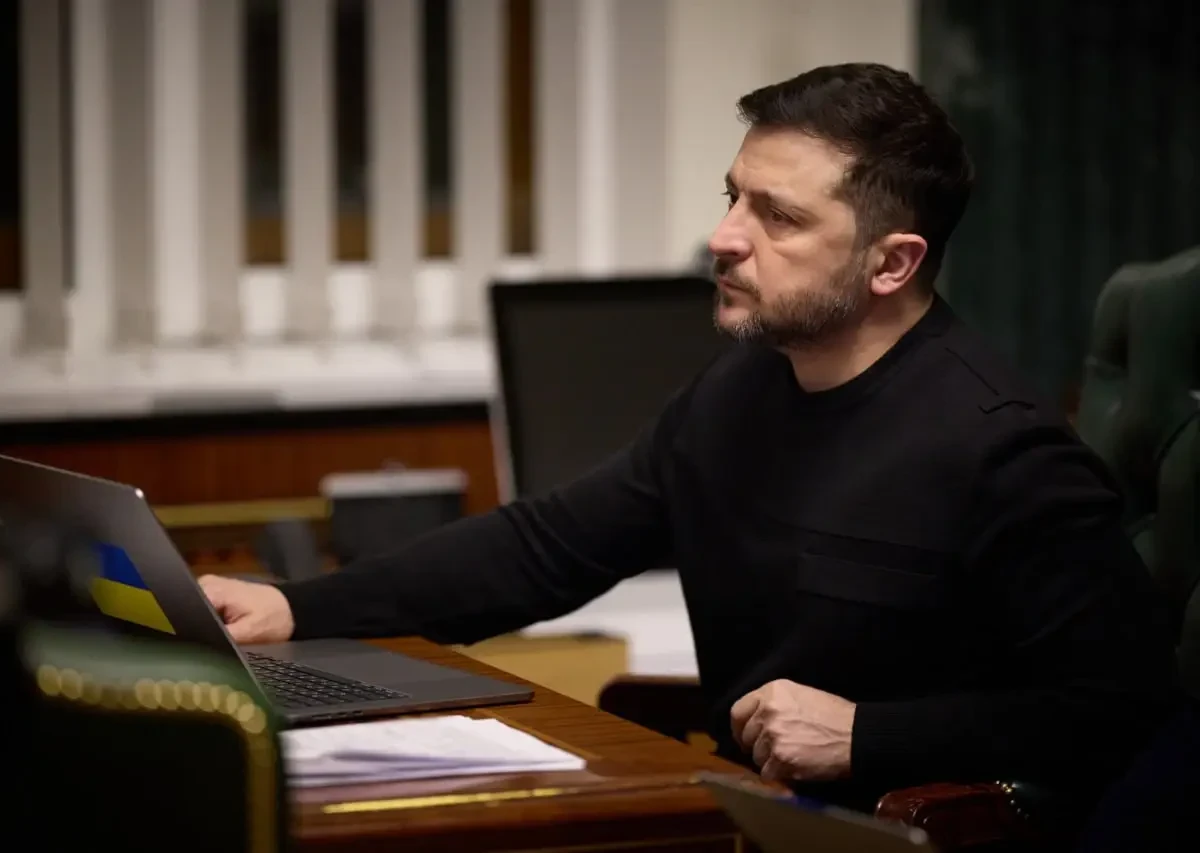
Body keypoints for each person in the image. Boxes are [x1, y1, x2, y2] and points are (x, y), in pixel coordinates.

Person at [199, 63, 1176, 810]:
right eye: (732, 196)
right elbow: (546, 547)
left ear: (891, 264)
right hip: (751, 811)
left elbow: (1124, 708)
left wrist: (870, 735)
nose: (724, 236)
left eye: (777, 216)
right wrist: (295, 608)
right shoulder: (739, 389)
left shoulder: (1002, 452)